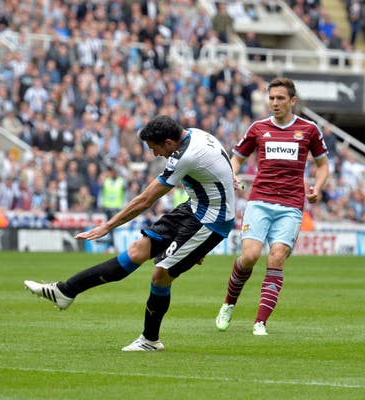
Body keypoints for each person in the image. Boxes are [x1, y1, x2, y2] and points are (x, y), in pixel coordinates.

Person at [25, 115, 236, 351]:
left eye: (155, 148)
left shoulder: (185, 156)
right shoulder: (195, 134)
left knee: (161, 275)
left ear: (168, 142)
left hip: (210, 221)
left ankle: (150, 340)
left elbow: (145, 199)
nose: (156, 154)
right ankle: (65, 291)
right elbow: (223, 164)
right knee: (137, 251)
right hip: (195, 207)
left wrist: (107, 226)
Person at [215, 77, 329, 336]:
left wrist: (317, 188)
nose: (275, 103)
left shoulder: (309, 130)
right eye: (271, 98)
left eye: (280, 98)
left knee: (276, 256)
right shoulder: (258, 128)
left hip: (290, 205)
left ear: (292, 101)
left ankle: (260, 322)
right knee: (250, 256)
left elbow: (322, 165)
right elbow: (237, 157)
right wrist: (233, 173)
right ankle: (228, 304)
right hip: (260, 201)